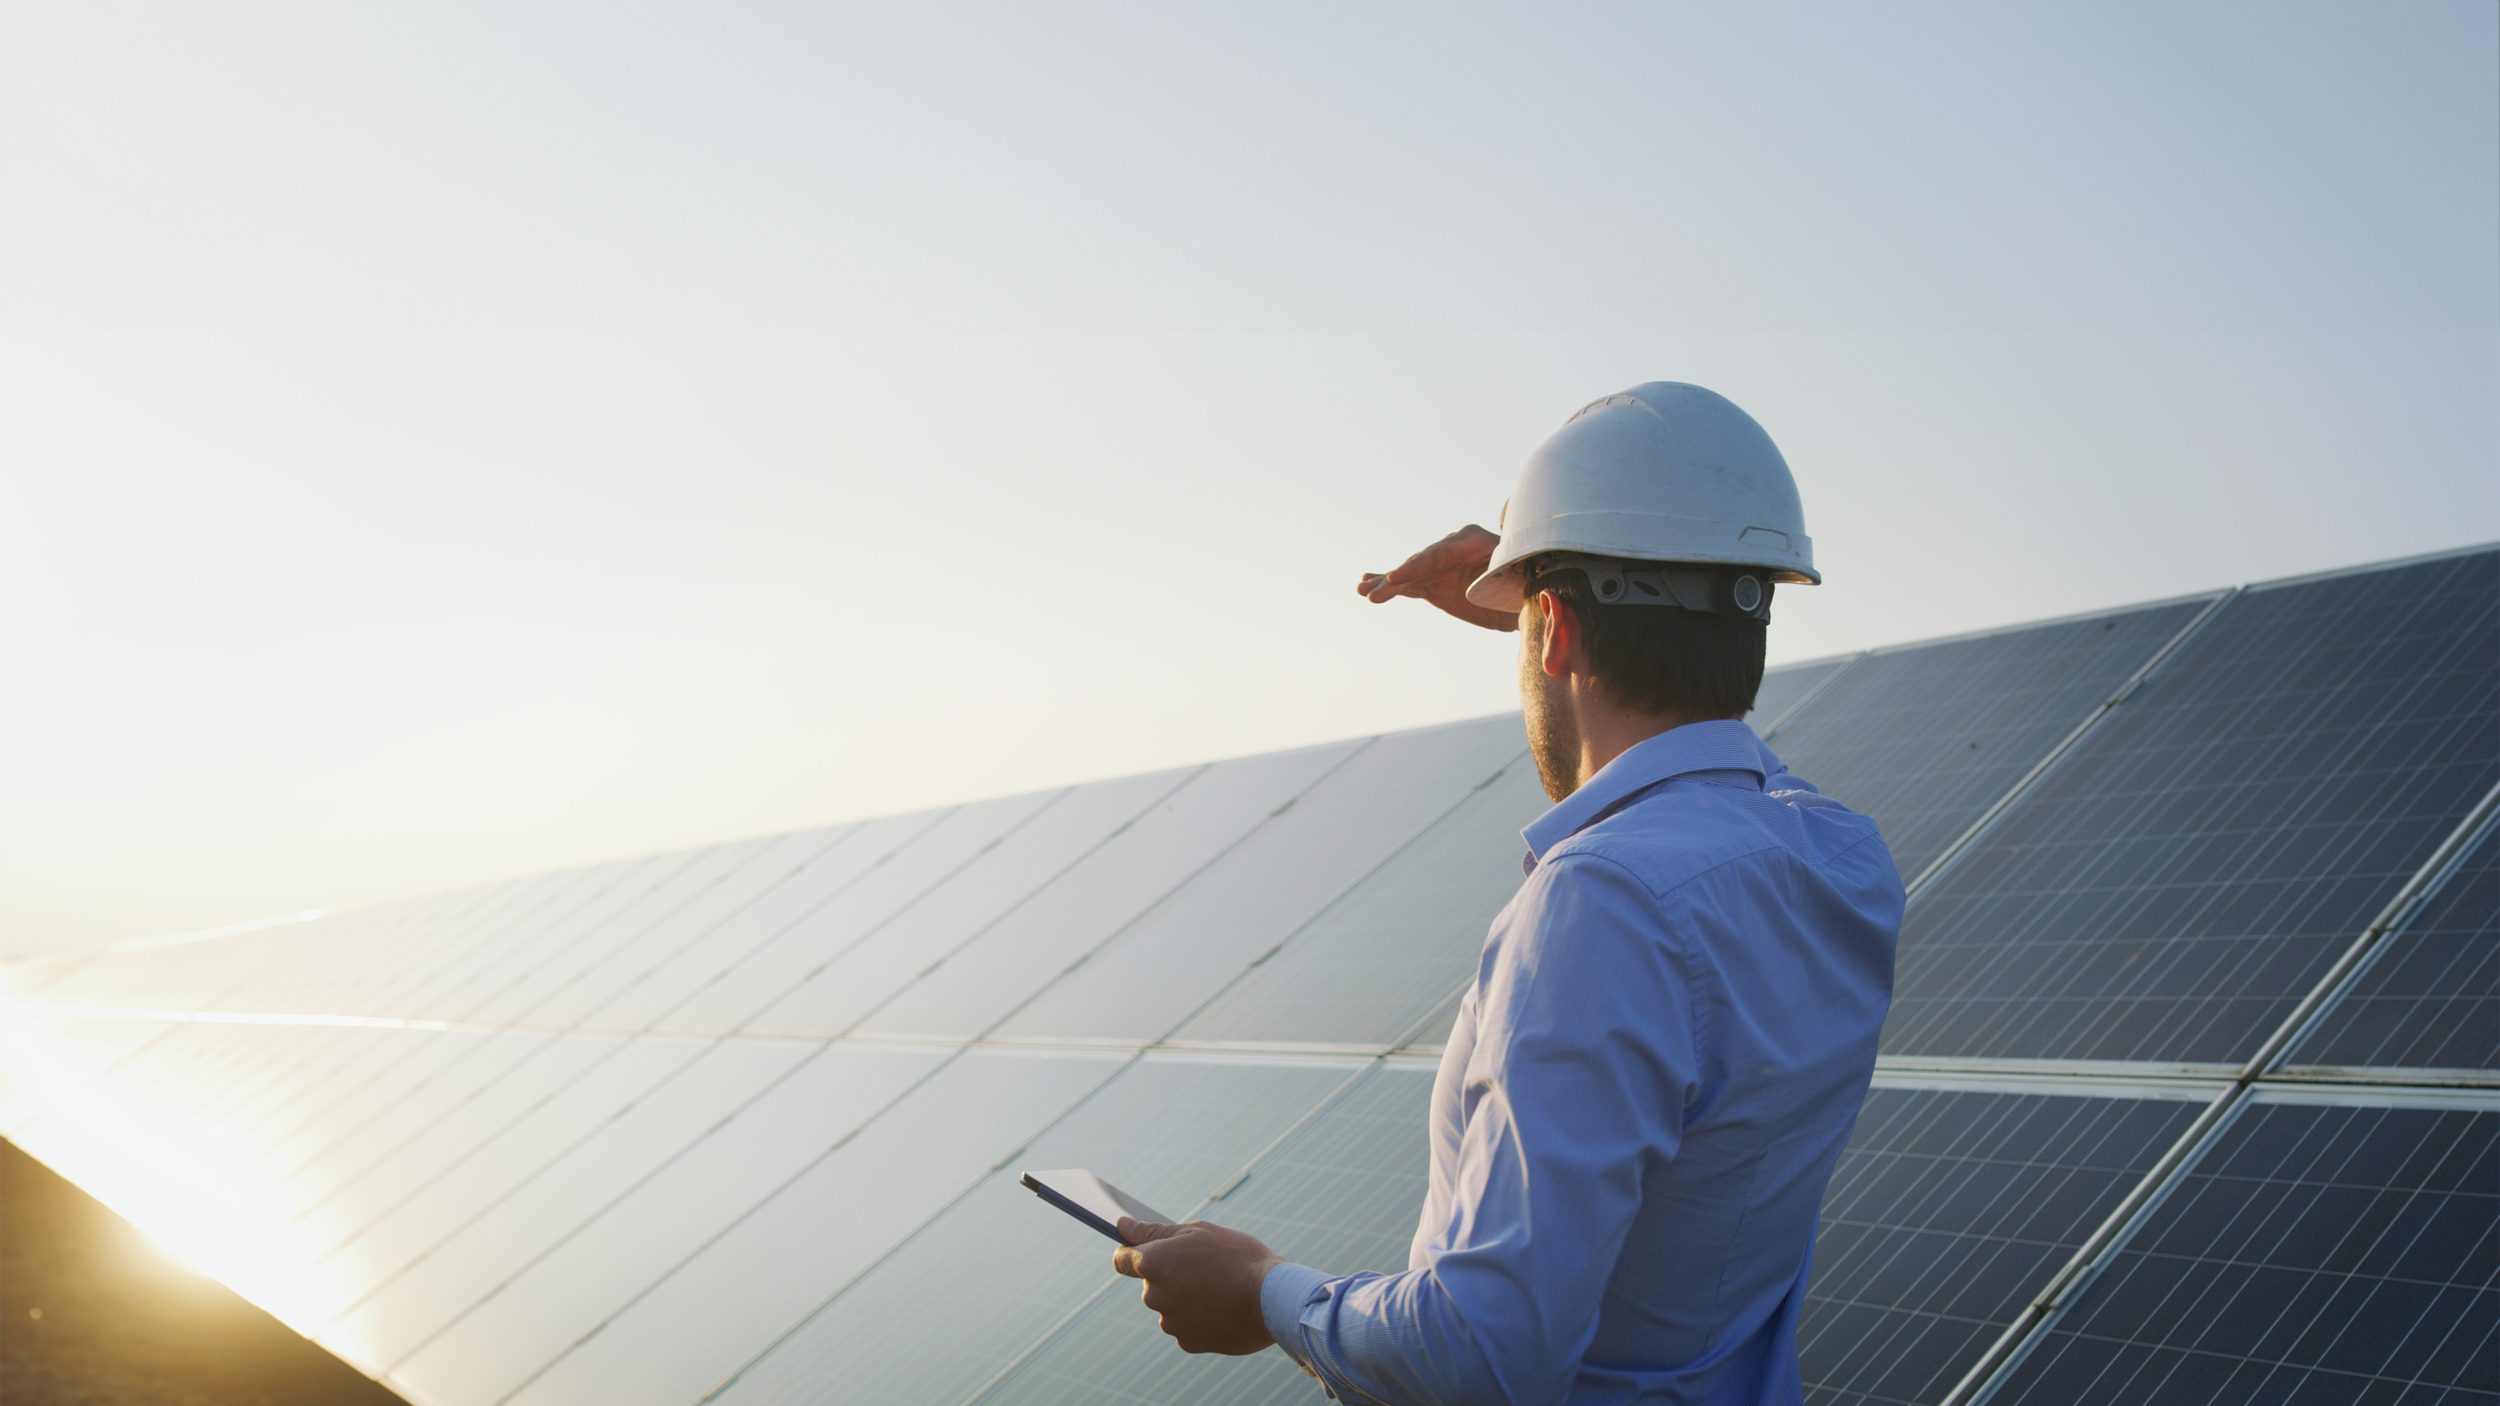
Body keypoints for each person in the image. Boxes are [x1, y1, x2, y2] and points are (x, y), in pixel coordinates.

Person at [1111, 382, 1903, 1405]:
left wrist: (1265, 1293)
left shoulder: (1604, 900)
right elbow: (1716, 755)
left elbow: (1482, 1353)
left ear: (1555, 633)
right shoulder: (1839, 855)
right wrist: (1551, 604)